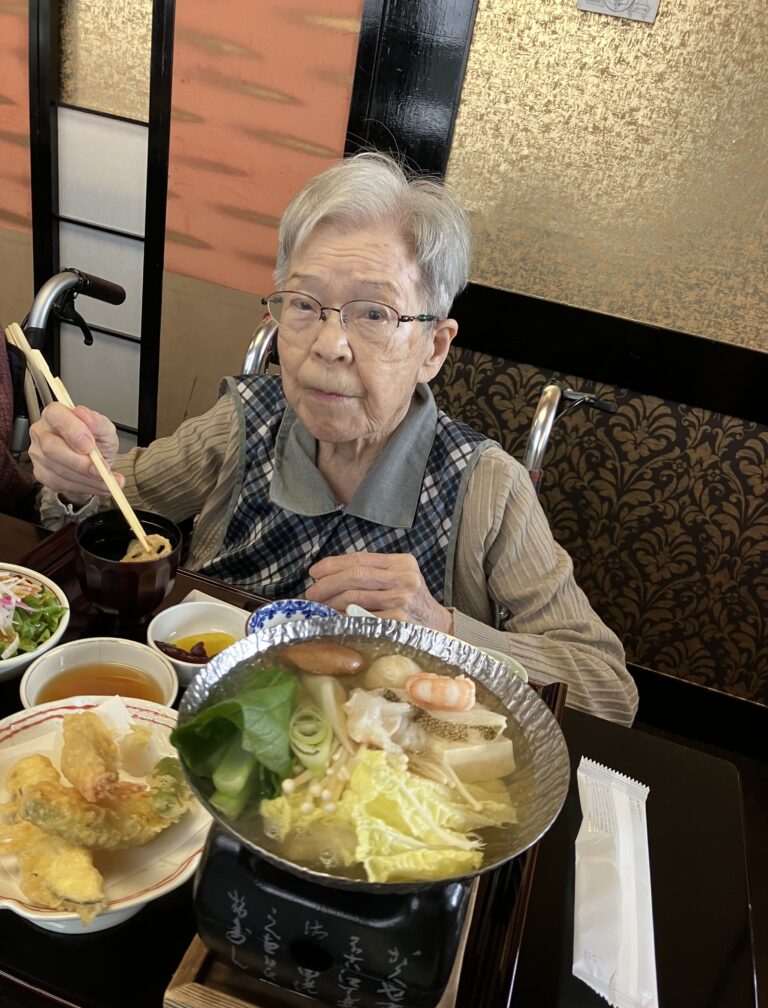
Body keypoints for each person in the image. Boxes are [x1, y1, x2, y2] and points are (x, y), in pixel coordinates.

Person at [29, 152, 638, 725]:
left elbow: (608, 689)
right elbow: (113, 499)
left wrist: (441, 627)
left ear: (433, 347)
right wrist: (80, 473)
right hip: (207, 721)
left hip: (374, 775)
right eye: (304, 304)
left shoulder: (486, 486)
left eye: (374, 313)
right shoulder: (246, 420)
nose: (328, 344)